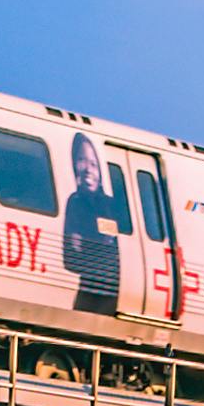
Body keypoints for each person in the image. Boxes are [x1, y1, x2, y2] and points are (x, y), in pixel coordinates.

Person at [62, 129, 127, 315]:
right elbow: (71, 258)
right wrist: (104, 249)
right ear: (74, 164)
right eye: (82, 160)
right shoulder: (75, 203)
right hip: (89, 295)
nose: (88, 169)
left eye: (93, 163)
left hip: (113, 294)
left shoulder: (112, 205)